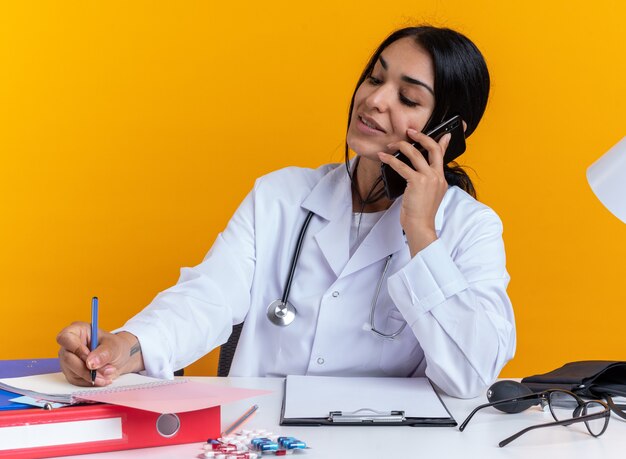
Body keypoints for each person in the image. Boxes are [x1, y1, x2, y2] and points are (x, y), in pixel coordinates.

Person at [56, 25, 515, 398]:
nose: (374, 100)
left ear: (446, 131)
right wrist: (125, 347)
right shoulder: (280, 195)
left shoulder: (469, 228)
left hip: (385, 442)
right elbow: (207, 298)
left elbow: (470, 374)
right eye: (376, 78)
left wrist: (420, 232)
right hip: (264, 436)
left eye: (408, 98)